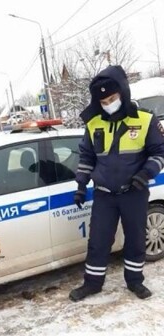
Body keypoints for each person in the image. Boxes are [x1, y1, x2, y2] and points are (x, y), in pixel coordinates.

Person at [70, 65, 164, 302]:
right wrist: (81, 185)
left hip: (134, 193)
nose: (108, 103)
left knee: (135, 239)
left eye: (112, 98)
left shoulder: (145, 120)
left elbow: (159, 153)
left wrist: (145, 174)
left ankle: (135, 281)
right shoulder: (93, 124)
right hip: (104, 195)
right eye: (103, 101)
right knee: (98, 241)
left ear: (123, 93)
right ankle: (92, 284)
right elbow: (86, 157)